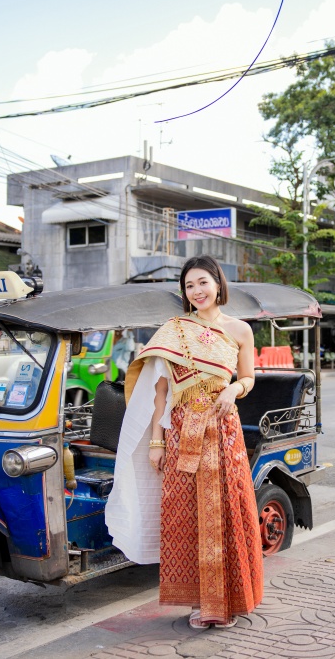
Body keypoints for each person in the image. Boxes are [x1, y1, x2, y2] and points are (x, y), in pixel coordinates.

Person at [105, 255, 262, 630]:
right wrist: (156, 443)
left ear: (218, 284)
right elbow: (159, 393)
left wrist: (234, 390)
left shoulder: (240, 330)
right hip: (180, 432)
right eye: (189, 286)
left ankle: (230, 598)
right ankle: (197, 602)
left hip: (223, 431)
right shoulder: (174, 329)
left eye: (203, 282)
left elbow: (250, 377)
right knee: (185, 516)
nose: (197, 291)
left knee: (228, 511)